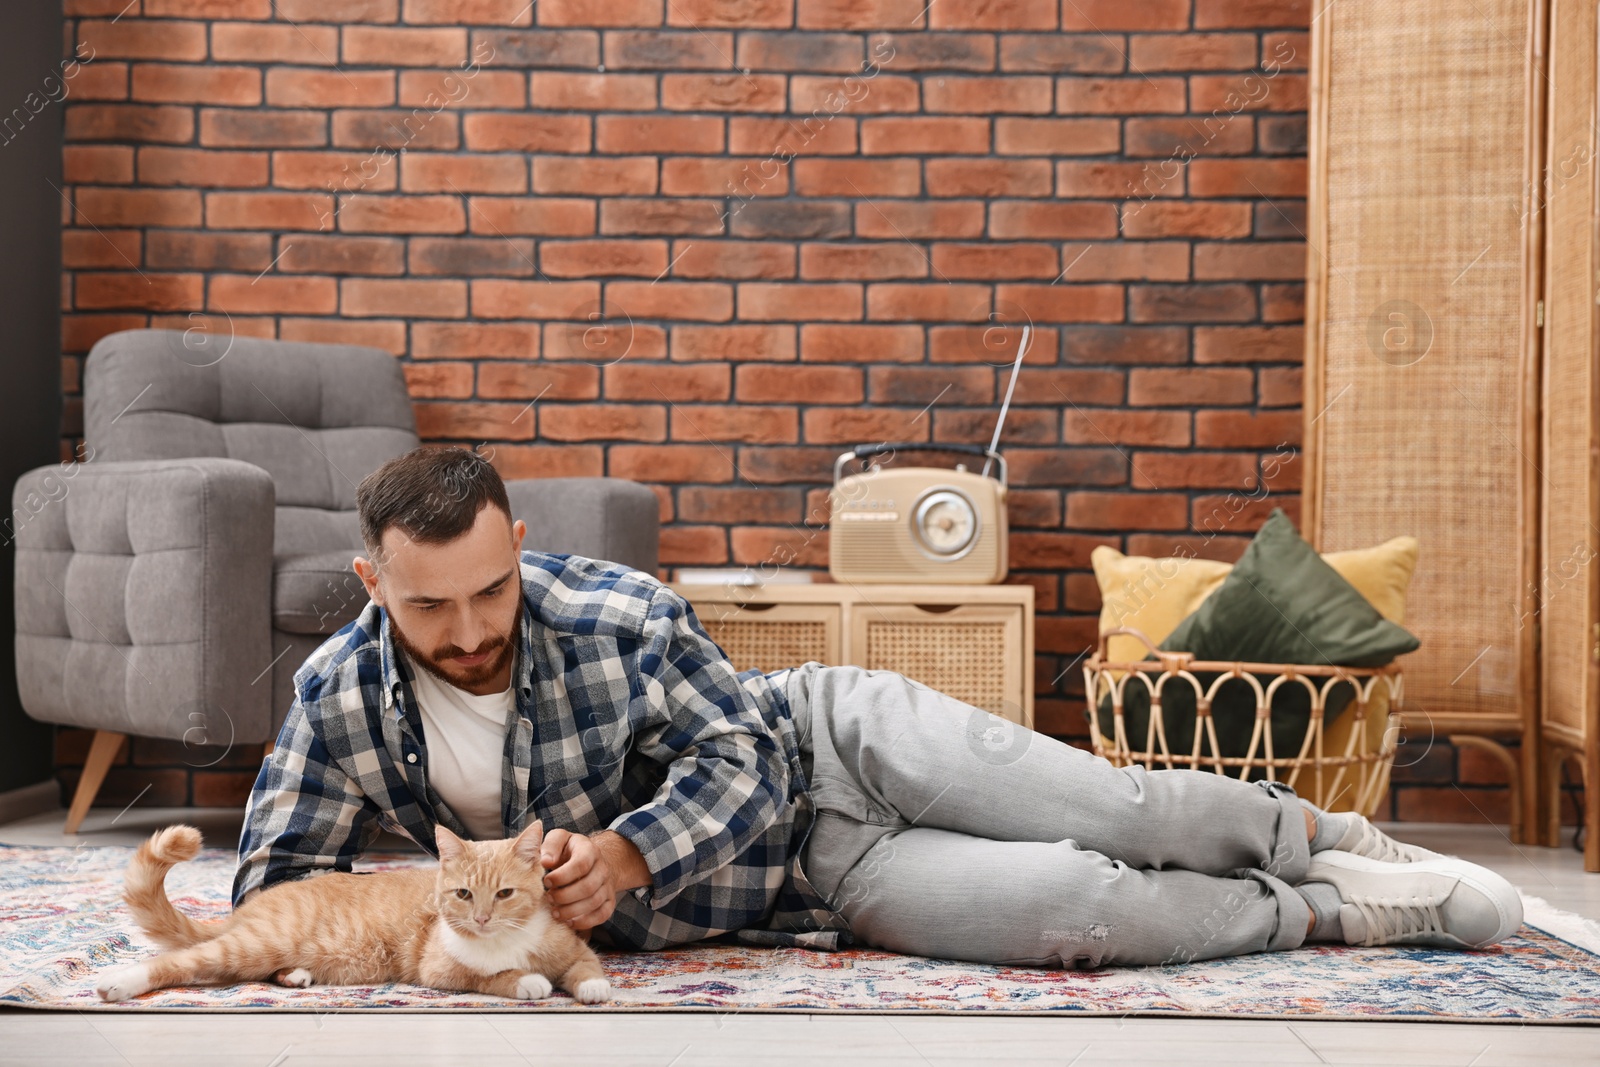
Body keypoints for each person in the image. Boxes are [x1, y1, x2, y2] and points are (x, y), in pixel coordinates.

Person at [234, 446, 1523, 968]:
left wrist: (627, 854)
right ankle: (1329, 914)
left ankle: (1322, 836)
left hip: (834, 742)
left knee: (1115, 806)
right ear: (372, 582)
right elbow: (272, 891)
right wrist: (432, 920)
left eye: (491, 592)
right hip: (812, 884)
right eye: (428, 611)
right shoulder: (336, 694)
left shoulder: (611, 609)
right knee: (1086, 908)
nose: (467, 635)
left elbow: (741, 755)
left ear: (521, 543)